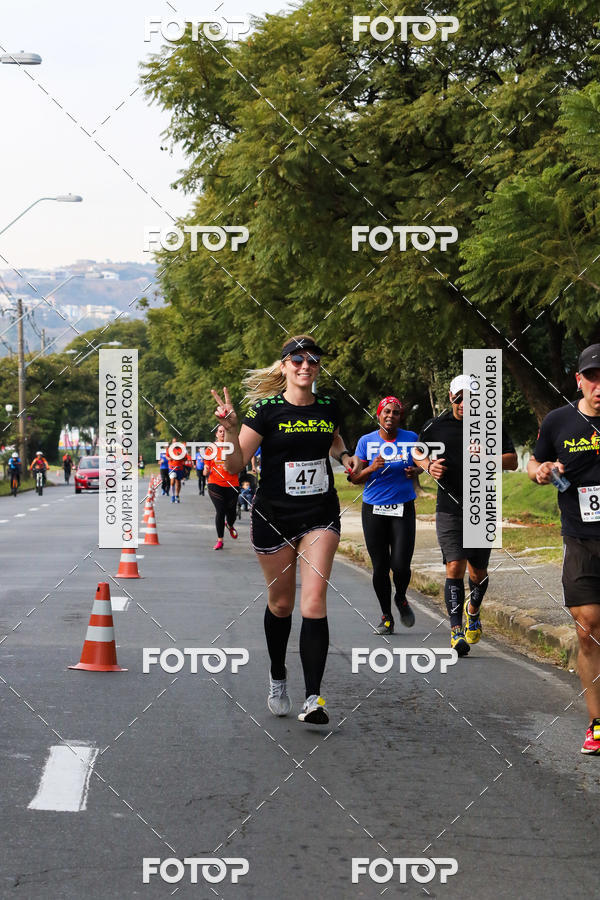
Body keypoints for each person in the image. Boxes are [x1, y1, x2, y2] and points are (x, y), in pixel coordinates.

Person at [211, 334, 351, 725]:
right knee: (282, 605)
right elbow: (237, 465)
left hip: (320, 513)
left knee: (314, 602)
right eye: (298, 360)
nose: (306, 366)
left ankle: (313, 698)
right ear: (285, 366)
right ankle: (277, 674)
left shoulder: (329, 406)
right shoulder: (265, 411)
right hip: (273, 516)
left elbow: (334, 439)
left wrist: (346, 456)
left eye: (313, 360)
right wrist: (234, 427)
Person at [527, 344, 600, 754]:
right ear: (579, 380)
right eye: (592, 377)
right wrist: (542, 471)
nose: (599, 386)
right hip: (581, 536)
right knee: (587, 627)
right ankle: (597, 723)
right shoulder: (558, 421)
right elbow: (536, 465)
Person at [416, 375, 517, 657]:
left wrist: (488, 458)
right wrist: (427, 465)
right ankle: (456, 630)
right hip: (448, 508)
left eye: (471, 398)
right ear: (451, 397)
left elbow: (512, 460)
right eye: (459, 398)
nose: (464, 404)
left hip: (482, 507)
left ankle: (473, 610)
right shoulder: (436, 426)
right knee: (454, 567)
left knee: (478, 572)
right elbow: (417, 451)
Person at [348, 396, 419, 634]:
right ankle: (386, 616)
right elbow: (354, 479)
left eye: (395, 413)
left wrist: (415, 470)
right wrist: (370, 468)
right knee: (380, 567)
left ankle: (400, 597)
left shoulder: (411, 439)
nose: (390, 416)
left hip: (403, 507)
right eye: (386, 412)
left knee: (400, 565)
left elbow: (424, 463)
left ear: (401, 417)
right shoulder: (365, 442)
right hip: (374, 509)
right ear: (378, 415)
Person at [204, 424, 240, 549]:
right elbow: (206, 466)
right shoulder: (211, 448)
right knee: (220, 510)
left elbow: (240, 465)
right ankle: (220, 540)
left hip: (232, 483)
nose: (222, 434)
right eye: (220, 431)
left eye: (224, 431)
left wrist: (231, 467)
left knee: (232, 512)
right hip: (215, 483)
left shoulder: (235, 447)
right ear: (216, 434)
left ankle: (229, 524)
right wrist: (206, 470)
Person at [165, 438, 191, 503]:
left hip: (179, 468)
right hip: (172, 467)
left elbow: (185, 459)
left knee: (178, 483)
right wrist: (169, 458)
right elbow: (166, 456)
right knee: (172, 481)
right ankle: (173, 496)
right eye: (173, 442)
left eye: (176, 442)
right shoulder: (169, 449)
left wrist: (180, 456)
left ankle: (177, 495)